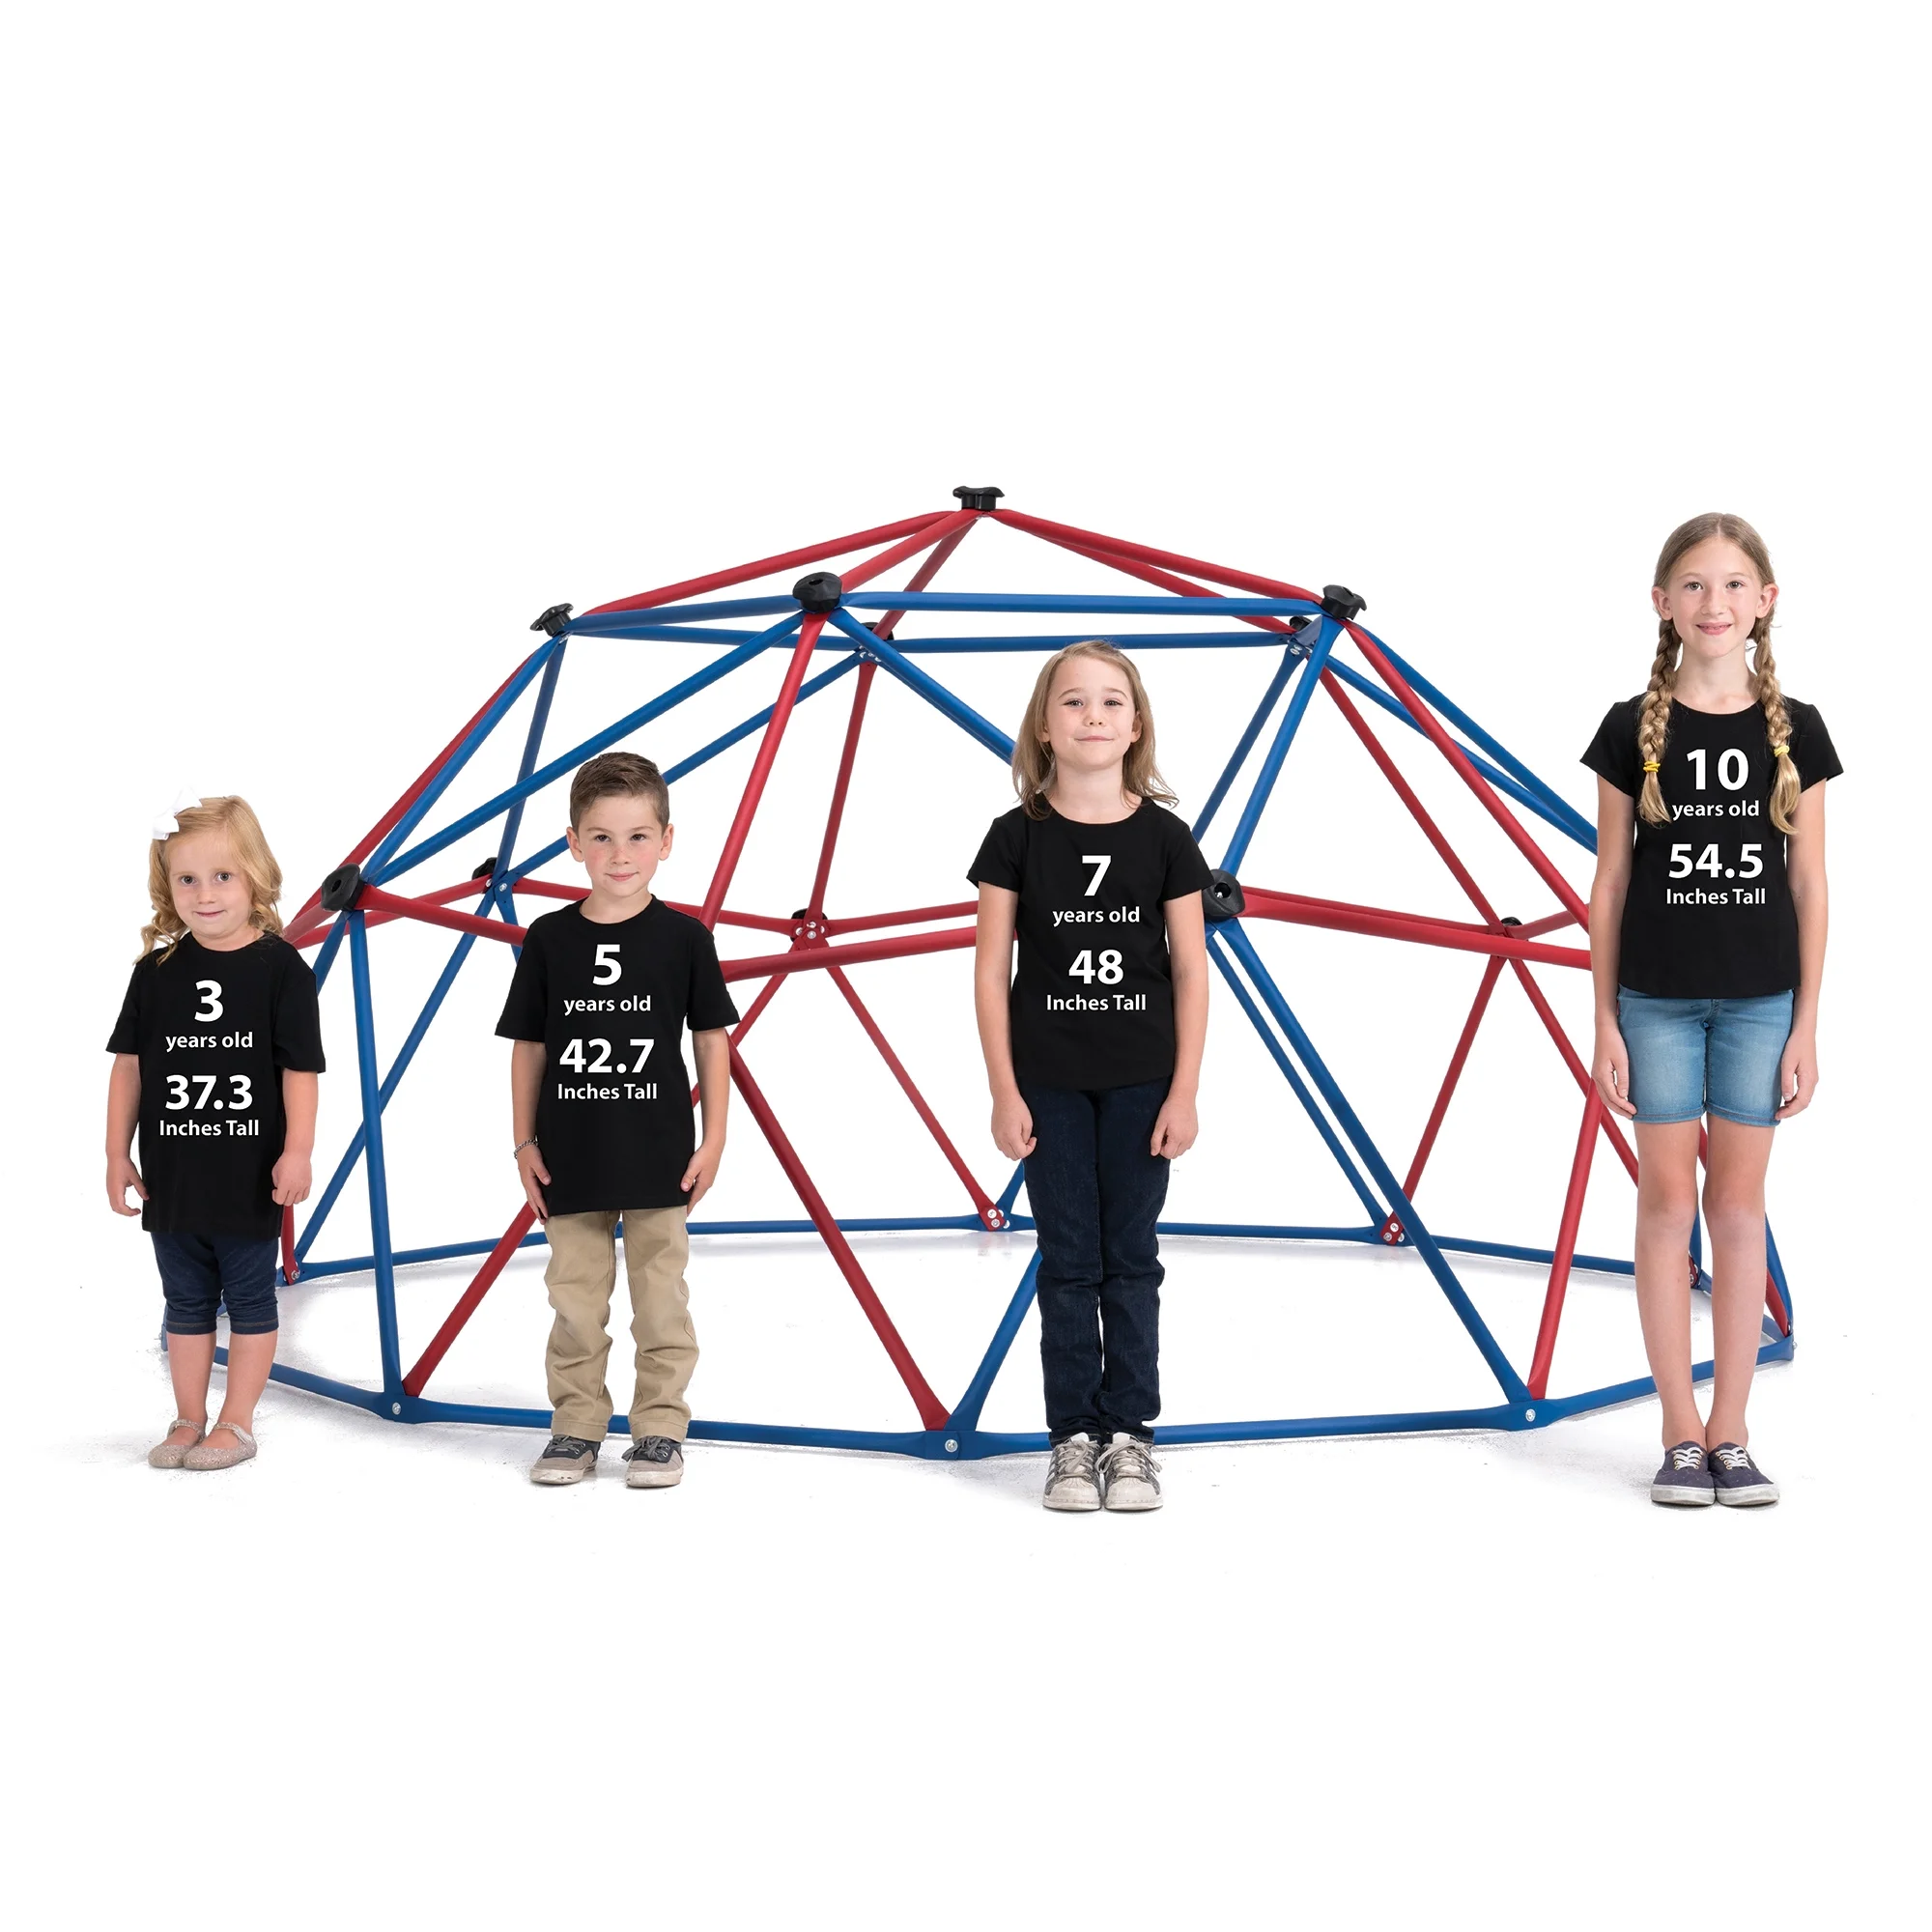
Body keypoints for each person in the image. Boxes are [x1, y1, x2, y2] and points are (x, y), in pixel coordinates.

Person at [1583, 513, 1839, 1508]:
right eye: (1692, 584)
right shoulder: (1628, 729)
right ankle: (1677, 1432)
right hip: (1652, 1001)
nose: (1713, 602)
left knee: (1736, 1207)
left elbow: (1809, 883)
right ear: (1662, 603)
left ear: (1764, 602)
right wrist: (1604, 1020)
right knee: (1664, 1205)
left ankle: (1731, 1430)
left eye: (1733, 584)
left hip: (1758, 1004)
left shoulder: (1796, 729)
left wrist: (1805, 1022)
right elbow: (1610, 883)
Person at [970, 641, 1211, 1513]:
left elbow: (1191, 970)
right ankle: (1071, 1440)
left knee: (1132, 1261)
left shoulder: (1166, 837)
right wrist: (1004, 1090)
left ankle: (1131, 1438)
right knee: (1068, 1261)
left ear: (1136, 724)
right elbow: (991, 971)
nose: (1093, 716)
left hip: (1144, 1083)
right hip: (1049, 1085)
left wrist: (1184, 1091)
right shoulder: (1014, 836)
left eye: (1112, 702)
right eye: (1073, 701)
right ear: (1044, 725)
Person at [497, 752, 736, 1489]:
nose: (620, 854)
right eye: (601, 837)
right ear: (574, 842)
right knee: (574, 1301)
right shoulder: (549, 939)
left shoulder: (685, 938)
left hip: (660, 1154)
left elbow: (710, 1041)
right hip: (569, 1155)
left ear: (666, 841)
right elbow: (530, 1046)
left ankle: (660, 1429)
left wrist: (715, 1137)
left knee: (661, 1301)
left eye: (637, 836)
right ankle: (576, 1427)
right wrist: (523, 1141)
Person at [107, 796, 324, 1471]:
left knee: (251, 1300)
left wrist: (297, 1150)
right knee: (185, 1302)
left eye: (223, 876)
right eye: (188, 879)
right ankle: (187, 1417)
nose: (205, 895)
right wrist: (116, 1152)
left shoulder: (281, 969)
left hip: (247, 1176)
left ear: (255, 875)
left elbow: (300, 1070)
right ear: (167, 886)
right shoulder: (155, 973)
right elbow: (129, 1067)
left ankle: (237, 1422)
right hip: (173, 1177)